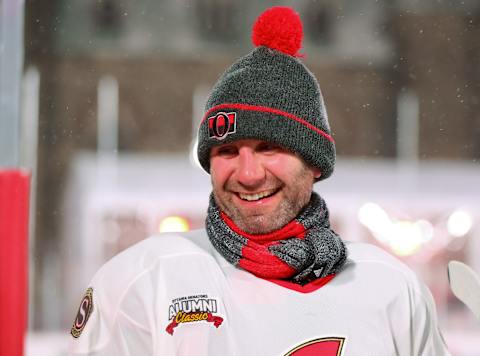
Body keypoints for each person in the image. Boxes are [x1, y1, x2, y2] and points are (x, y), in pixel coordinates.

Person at [69, 6, 450, 356]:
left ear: (314, 162)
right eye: (228, 152)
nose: (249, 175)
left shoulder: (392, 288)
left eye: (269, 148)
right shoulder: (145, 279)